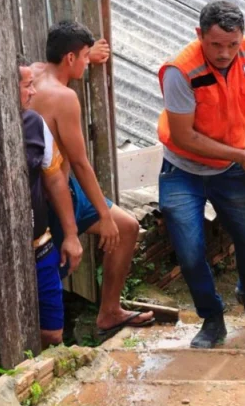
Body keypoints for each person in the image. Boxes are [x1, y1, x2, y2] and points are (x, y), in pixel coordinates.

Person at [156, 1, 245, 348]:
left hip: (230, 168)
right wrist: (242, 155)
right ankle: (212, 319)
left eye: (232, 45)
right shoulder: (180, 71)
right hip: (182, 169)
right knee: (188, 249)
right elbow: (185, 136)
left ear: (242, 37)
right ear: (199, 35)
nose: (225, 53)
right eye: (215, 45)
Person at [30, 21, 155, 338]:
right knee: (58, 266)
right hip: (56, 193)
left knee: (128, 226)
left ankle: (110, 313)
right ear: (70, 58)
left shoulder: (33, 74)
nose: (88, 62)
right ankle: (51, 341)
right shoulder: (64, 97)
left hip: (56, 184)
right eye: (85, 57)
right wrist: (103, 215)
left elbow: (71, 54)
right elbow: (81, 163)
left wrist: (93, 53)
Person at [19, 57, 86, 347]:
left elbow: (55, 178)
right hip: (1, 256)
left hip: (41, 245)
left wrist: (70, 235)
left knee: (52, 333)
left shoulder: (34, 123)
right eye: (26, 86)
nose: (32, 92)